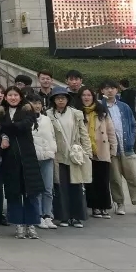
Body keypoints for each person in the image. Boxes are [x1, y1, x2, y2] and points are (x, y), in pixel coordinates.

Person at [0, 87, 42, 239]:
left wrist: (3, 127)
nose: (13, 97)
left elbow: (24, 125)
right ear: (5, 97)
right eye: (10, 95)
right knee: (13, 192)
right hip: (10, 157)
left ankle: (31, 224)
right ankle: (18, 224)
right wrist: (3, 134)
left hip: (28, 156)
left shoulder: (27, 110)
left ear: (21, 97)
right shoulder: (0, 112)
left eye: (16, 95)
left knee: (31, 192)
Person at [102, 80, 136, 217]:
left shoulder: (124, 107)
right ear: (102, 91)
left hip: (127, 147)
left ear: (117, 90)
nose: (110, 91)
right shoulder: (101, 107)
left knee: (134, 177)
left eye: (112, 88)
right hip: (111, 149)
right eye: (107, 88)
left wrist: (131, 139)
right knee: (115, 179)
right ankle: (119, 203)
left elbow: (133, 124)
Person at [48, 86, 90, 228]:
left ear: (67, 99)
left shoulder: (76, 113)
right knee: (60, 186)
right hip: (57, 155)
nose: (61, 100)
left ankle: (77, 217)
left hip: (74, 154)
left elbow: (83, 133)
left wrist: (87, 152)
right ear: (53, 100)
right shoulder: (49, 114)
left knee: (76, 186)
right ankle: (63, 217)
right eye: (58, 98)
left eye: (63, 98)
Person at [80, 86, 117, 220]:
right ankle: (94, 206)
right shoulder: (78, 112)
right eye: (84, 95)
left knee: (103, 180)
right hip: (86, 151)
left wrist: (113, 148)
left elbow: (111, 131)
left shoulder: (102, 112)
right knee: (90, 181)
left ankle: (104, 206)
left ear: (93, 97)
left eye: (89, 95)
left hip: (102, 149)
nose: (86, 97)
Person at [28, 93, 57, 230]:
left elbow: (52, 136)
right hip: (33, 158)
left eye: (39, 103)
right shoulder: (25, 119)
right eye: (34, 103)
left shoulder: (46, 119)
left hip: (47, 156)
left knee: (48, 188)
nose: (37, 106)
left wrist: (53, 149)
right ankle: (38, 215)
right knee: (37, 189)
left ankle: (47, 215)